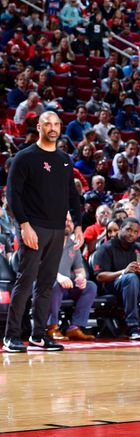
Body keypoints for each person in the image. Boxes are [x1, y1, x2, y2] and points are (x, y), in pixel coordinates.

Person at [4, 111, 83, 353]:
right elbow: (13, 194)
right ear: (38, 126)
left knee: (47, 283)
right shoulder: (25, 157)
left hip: (58, 228)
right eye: (47, 123)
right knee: (26, 281)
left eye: (56, 124)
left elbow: (72, 194)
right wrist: (24, 225)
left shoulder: (65, 159)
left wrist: (78, 225)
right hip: (33, 227)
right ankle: (12, 336)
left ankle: (39, 336)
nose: (52, 128)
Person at [47, 215, 96, 341]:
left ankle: (74, 327)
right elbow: (39, 267)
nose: (68, 223)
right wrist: (58, 277)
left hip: (66, 287)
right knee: (55, 285)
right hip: (46, 285)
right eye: (65, 220)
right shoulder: (47, 240)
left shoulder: (73, 244)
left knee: (90, 286)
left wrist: (81, 279)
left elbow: (79, 270)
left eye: (70, 221)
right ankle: (52, 327)